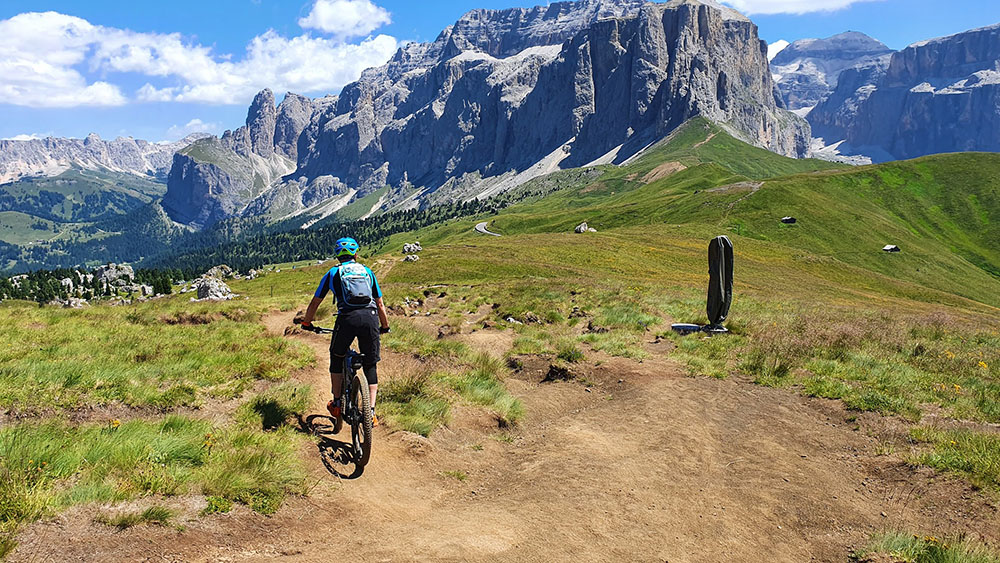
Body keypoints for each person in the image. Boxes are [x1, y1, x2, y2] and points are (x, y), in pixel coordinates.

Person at [299, 237, 390, 430]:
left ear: (338, 256)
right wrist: (385, 326)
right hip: (370, 318)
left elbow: (315, 302)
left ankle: (337, 403)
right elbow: (380, 303)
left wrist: (307, 322)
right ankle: (371, 412)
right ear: (355, 254)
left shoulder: (333, 273)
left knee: (337, 356)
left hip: (347, 319)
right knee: (370, 364)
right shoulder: (367, 271)